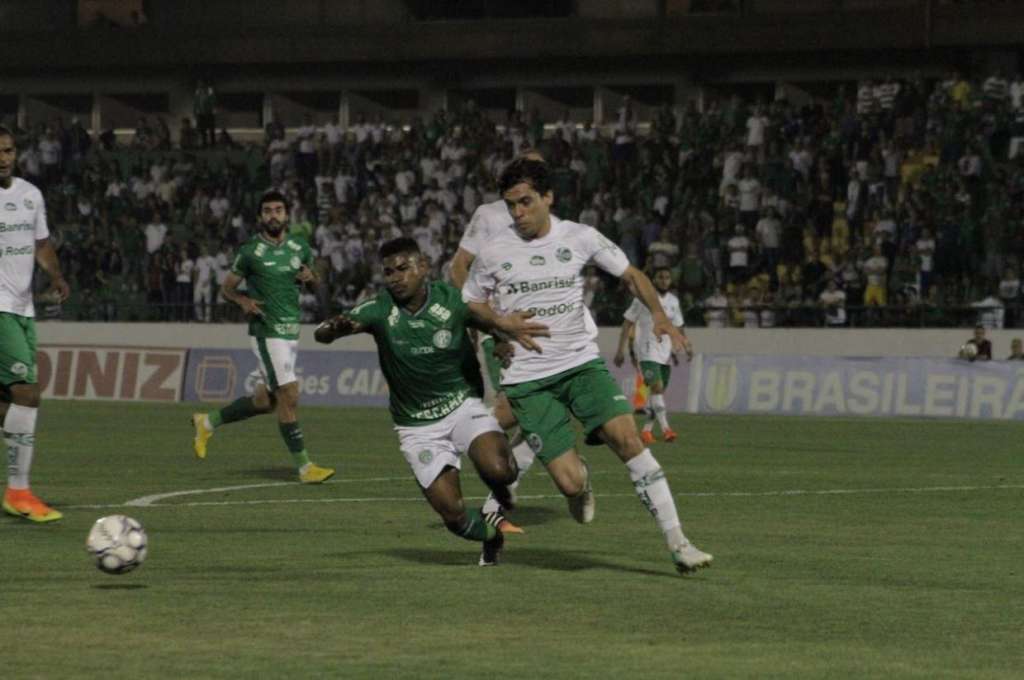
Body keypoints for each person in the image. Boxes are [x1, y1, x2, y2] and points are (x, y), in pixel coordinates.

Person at [463, 158, 713, 575]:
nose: (518, 213)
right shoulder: (492, 251)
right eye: (511, 206)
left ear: (548, 198)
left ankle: (679, 543)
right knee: (569, 482)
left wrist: (661, 316)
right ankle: (580, 485)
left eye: (526, 202)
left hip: (581, 365)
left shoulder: (579, 237)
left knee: (629, 439)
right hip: (529, 381)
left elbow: (631, 275)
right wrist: (499, 325)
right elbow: (470, 303)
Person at [315, 237, 545, 566]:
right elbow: (325, 333)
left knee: (500, 468)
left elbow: (488, 320)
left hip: (462, 405)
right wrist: (332, 328)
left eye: (403, 268)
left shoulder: (453, 300)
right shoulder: (379, 308)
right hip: (416, 426)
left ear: (423, 267)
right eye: (388, 271)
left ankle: (504, 479)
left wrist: (500, 339)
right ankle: (492, 537)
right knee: (454, 516)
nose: (395, 277)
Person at [191, 190, 334, 483]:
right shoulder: (250, 251)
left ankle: (207, 422)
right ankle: (306, 468)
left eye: (278, 210)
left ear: (286, 215)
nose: (273, 215)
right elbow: (227, 287)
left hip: (291, 332)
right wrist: (243, 302)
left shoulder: (299, 247)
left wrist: (312, 278)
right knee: (289, 394)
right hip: (266, 332)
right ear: (260, 217)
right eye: (267, 210)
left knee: (265, 401)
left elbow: (315, 280)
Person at [449, 150, 547, 526]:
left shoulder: (549, 223)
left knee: (542, 420)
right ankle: (457, 443)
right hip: (502, 330)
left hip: (541, 333)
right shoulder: (490, 215)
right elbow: (459, 266)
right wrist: (483, 320)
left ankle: (496, 503)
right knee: (515, 410)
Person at [0, 125, 71, 522]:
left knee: (9, 404)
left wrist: (56, 276)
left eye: (8, 150)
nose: (3, 157)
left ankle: (18, 489)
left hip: (23, 309)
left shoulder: (30, 195)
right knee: (27, 393)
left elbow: (40, 244)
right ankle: (19, 491)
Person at [613, 267, 692, 445]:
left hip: (665, 351)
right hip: (646, 349)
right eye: (660, 277)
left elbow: (679, 326)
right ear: (654, 280)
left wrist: (685, 344)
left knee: (659, 393)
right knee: (656, 388)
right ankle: (667, 430)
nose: (664, 280)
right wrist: (621, 350)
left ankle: (647, 431)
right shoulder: (642, 299)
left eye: (667, 277)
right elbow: (627, 324)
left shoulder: (673, 301)